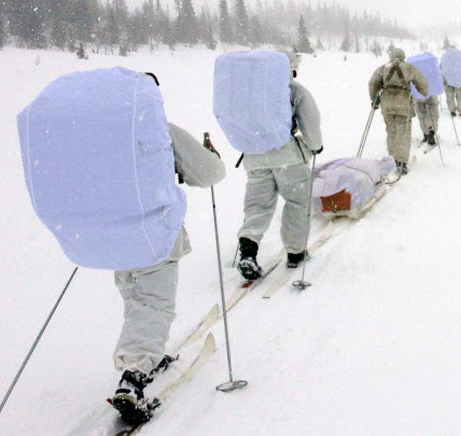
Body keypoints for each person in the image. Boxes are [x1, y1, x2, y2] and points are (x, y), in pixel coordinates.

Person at [109, 72, 226, 420]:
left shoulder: (99, 137)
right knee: (155, 304)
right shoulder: (159, 131)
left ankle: (147, 354)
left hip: (114, 235)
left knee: (135, 297)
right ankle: (132, 378)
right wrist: (212, 156)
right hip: (154, 233)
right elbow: (209, 174)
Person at [236, 54, 324, 280]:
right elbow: (310, 121)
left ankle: (248, 250)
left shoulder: (248, 92)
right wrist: (315, 146)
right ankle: (296, 253)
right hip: (287, 157)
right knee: (297, 202)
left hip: (255, 156)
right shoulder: (294, 91)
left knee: (257, 206)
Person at [368, 48, 429, 175]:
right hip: (403, 103)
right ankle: (401, 162)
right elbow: (422, 82)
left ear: (391, 56)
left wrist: (374, 100)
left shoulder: (383, 68)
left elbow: (373, 83)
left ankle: (391, 158)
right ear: (403, 56)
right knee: (403, 133)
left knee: (391, 131)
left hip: (387, 104)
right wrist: (424, 92)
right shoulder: (409, 67)